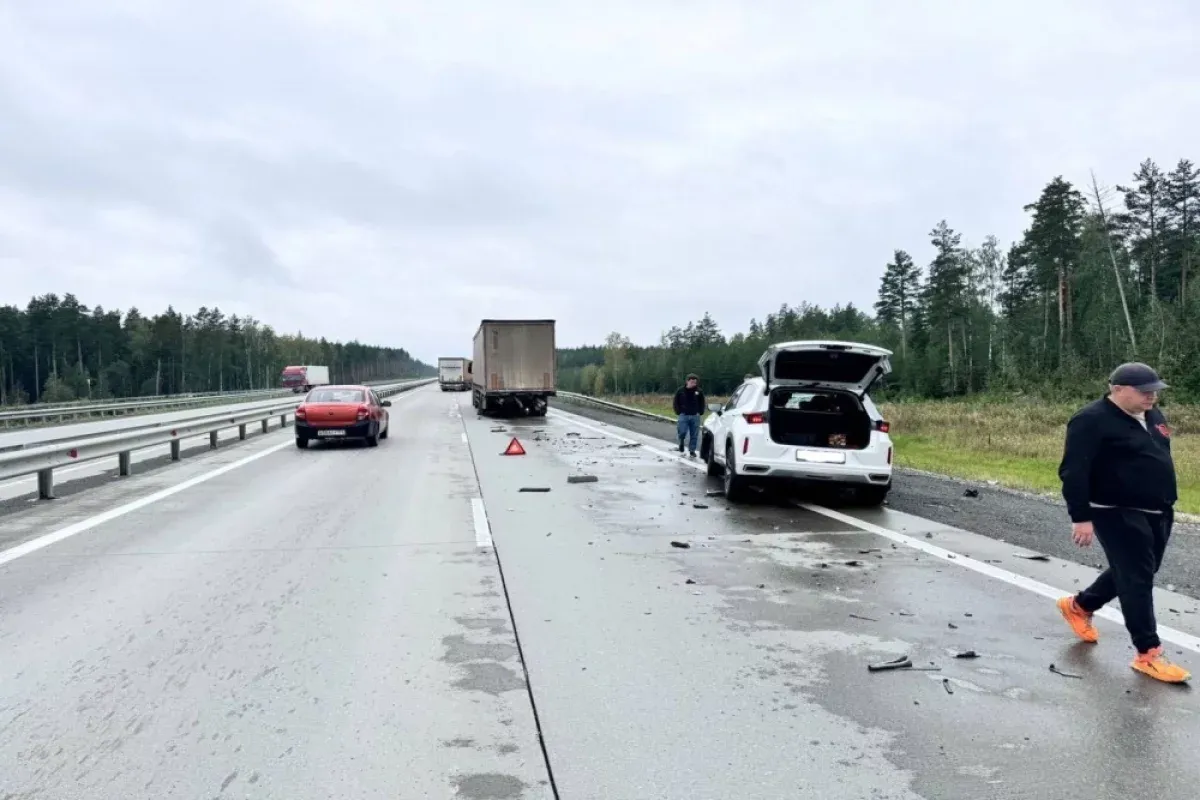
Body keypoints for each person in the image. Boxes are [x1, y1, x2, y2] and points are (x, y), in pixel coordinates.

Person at [1056, 362, 1190, 683]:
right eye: (1144, 392)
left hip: (1158, 509)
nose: (1152, 397)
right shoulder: (1090, 421)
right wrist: (1081, 517)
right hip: (1114, 510)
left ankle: (1079, 605)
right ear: (1117, 390)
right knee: (1137, 578)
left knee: (1141, 570)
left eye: (1155, 391)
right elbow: (1073, 471)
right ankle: (1148, 653)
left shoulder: (1154, 416)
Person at [672, 373, 706, 458]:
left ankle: (692, 450)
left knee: (694, 434)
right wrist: (678, 411)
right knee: (682, 431)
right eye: (692, 382)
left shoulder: (699, 391)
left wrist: (700, 412)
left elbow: (702, 402)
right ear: (687, 381)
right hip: (683, 415)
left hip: (695, 415)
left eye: (695, 382)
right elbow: (676, 402)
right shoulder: (680, 391)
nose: (693, 384)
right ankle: (681, 442)